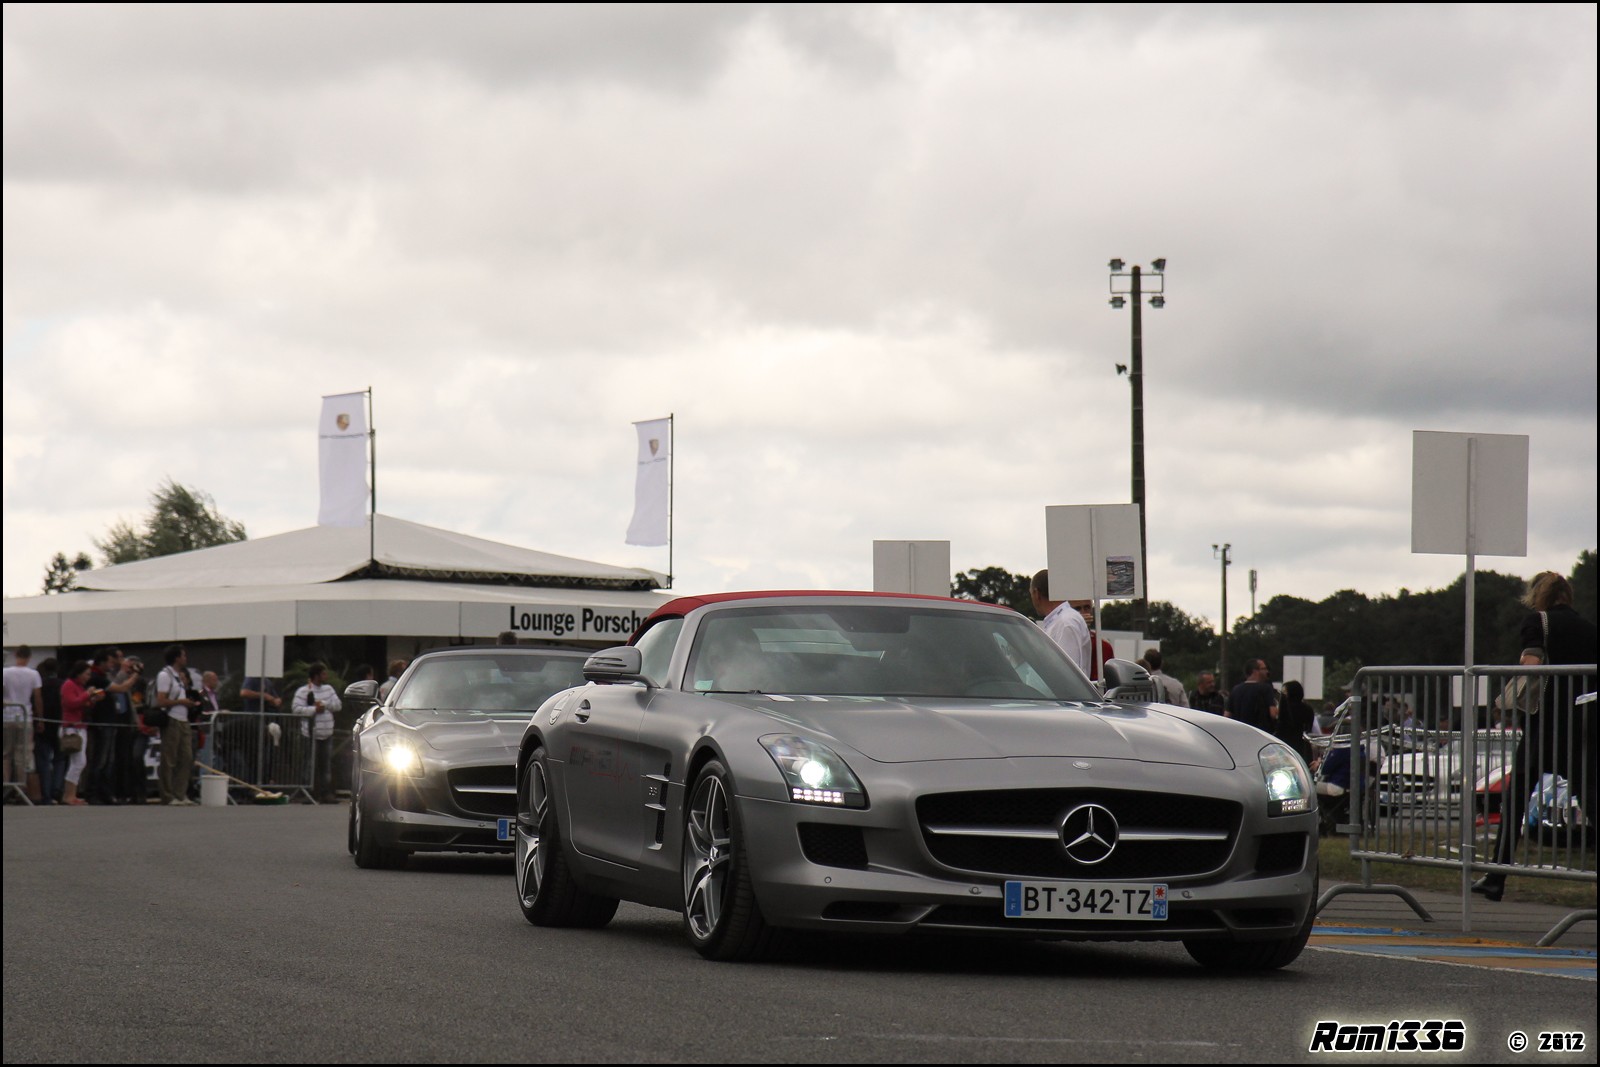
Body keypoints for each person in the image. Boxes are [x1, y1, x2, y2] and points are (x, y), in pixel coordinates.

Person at [1474, 570, 1598, 902]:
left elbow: (1531, 661)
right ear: (1567, 595)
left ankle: (1497, 875)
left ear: (1538, 595)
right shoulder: (1589, 629)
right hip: (1582, 723)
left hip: (1544, 725)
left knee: (1515, 799)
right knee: (1590, 799)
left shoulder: (1537, 622)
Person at [155, 645, 200, 806]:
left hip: (183, 719)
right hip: (172, 719)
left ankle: (180, 793)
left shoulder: (177, 677)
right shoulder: (165, 675)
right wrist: (180, 702)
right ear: (176, 658)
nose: (185, 658)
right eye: (183, 655)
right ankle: (167, 795)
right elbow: (161, 700)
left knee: (186, 757)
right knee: (169, 758)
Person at [293, 663, 342, 803]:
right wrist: (313, 710)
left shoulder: (329, 689)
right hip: (310, 733)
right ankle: (310, 793)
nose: (326, 676)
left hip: (327, 733)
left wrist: (325, 704)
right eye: (324, 674)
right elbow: (296, 709)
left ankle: (326, 793)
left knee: (325, 764)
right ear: (316, 676)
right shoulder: (304, 691)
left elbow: (338, 705)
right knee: (309, 764)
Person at [1029, 570, 1090, 674]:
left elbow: (1067, 674)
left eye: (1031, 594)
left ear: (1036, 593)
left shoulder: (1065, 622)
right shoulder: (1061, 620)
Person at [4, 645, 44, 802]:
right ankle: (21, 787)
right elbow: (38, 697)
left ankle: (6, 785)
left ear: (15, 655)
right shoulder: (34, 674)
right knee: (23, 754)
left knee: (6, 753)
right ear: (29, 657)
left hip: (6, 716)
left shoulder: (5, 672)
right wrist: (40, 718)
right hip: (25, 716)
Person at [57, 661, 100, 805]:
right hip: (71, 727)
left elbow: (82, 705)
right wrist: (87, 694)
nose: (88, 677)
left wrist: (92, 699)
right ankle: (69, 795)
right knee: (78, 762)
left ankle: (71, 794)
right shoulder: (69, 685)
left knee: (78, 762)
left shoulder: (79, 686)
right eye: (87, 674)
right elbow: (71, 703)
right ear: (79, 673)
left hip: (80, 726)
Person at [34, 658, 63, 804]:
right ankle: (57, 790)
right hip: (59, 725)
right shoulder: (62, 685)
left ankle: (46, 794)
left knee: (43, 761)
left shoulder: (40, 685)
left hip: (43, 726)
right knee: (59, 758)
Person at [1226, 659, 1278, 732]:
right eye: (1264, 669)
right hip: (1260, 733)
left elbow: (1227, 715)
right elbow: (1273, 714)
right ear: (1255, 671)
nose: (1267, 671)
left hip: (1239, 732)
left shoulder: (1235, 689)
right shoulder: (1266, 688)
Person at [1275, 680, 1316, 766]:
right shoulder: (1308, 709)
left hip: (1286, 747)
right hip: (1304, 747)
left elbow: (1280, 727)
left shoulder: (1285, 708)